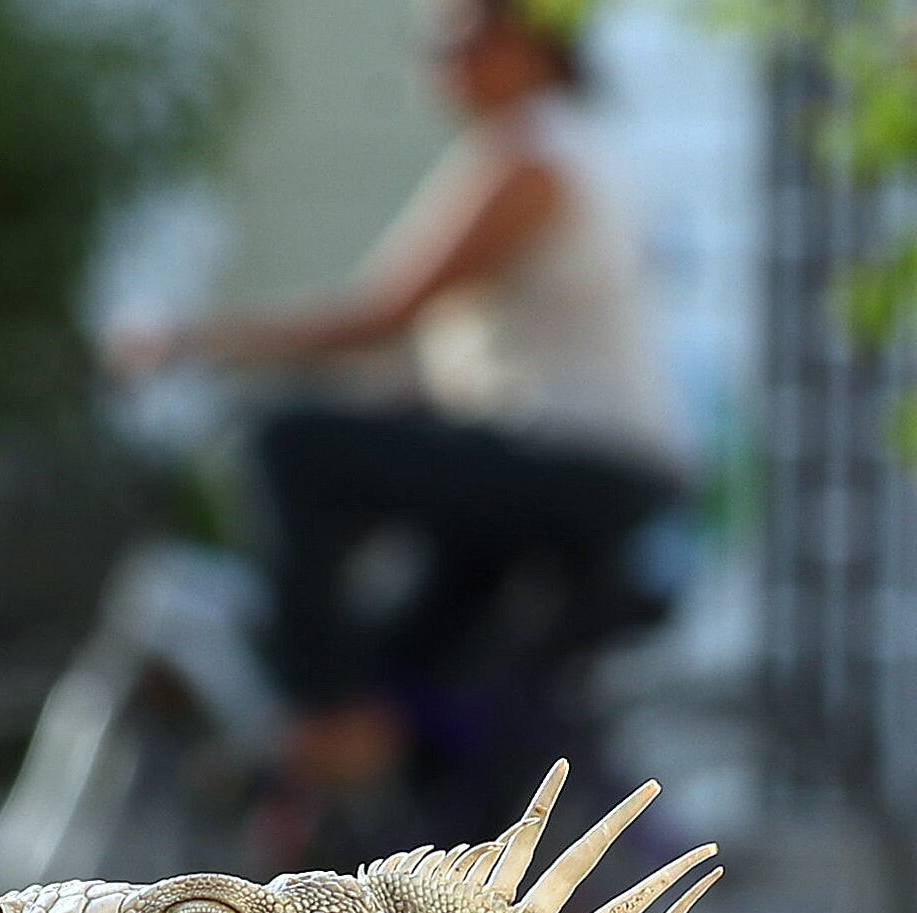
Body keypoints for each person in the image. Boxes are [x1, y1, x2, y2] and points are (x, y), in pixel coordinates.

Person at [122, 0, 686, 824]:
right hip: (557, 463)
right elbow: (447, 359)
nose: (440, 63)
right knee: (413, 689)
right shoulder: (562, 146)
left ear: (532, 46)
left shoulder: (530, 159)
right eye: (431, 44)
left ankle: (323, 711)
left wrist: (191, 342)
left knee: (290, 446)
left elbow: (386, 313)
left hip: (578, 467)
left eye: (462, 40)